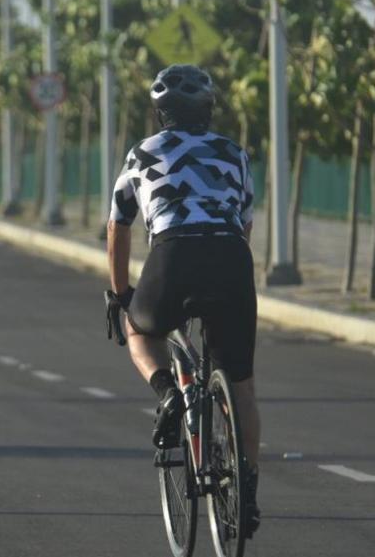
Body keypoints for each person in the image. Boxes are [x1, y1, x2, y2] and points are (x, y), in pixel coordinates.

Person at [103, 64, 261, 538]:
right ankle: (247, 491)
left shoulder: (141, 153)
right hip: (230, 258)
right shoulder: (234, 153)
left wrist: (120, 294)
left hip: (172, 256)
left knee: (139, 328)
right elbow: (244, 223)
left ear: (160, 112)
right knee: (242, 384)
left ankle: (168, 393)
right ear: (209, 109)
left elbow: (118, 226)